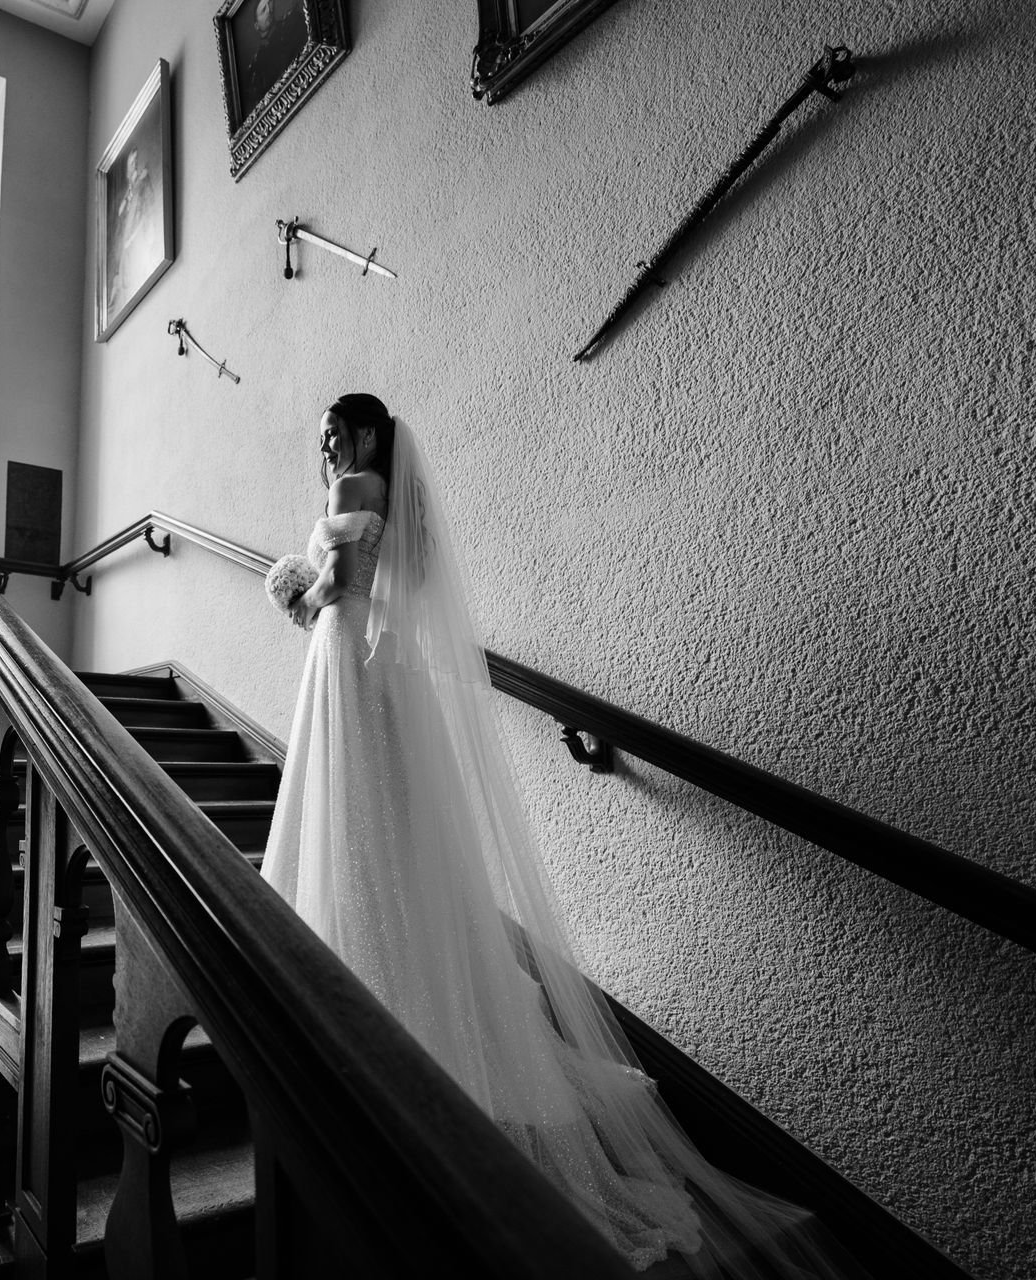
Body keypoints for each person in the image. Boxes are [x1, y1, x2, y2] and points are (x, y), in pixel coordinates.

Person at [262, 393, 860, 1278]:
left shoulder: (356, 481)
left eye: (334, 431)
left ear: (363, 433)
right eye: (323, 436)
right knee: (385, 835)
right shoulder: (393, 489)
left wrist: (292, 590)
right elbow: (396, 581)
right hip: (369, 660)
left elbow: (340, 587)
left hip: (348, 653)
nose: (327, 446)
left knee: (356, 823)